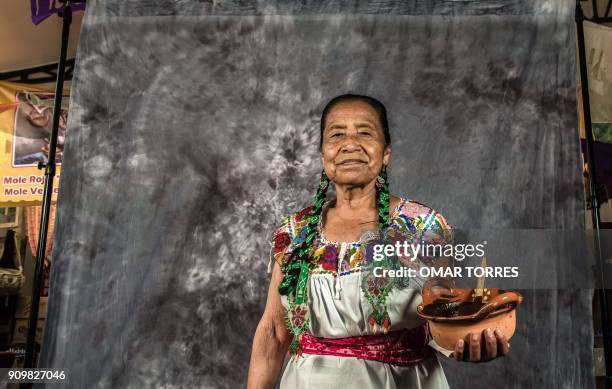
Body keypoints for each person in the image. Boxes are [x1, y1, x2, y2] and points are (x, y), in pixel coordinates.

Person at [247, 94, 510, 389]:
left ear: (386, 152)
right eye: (336, 134)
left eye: (364, 132)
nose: (350, 144)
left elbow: (442, 304)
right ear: (323, 154)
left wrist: (469, 335)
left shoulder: (422, 226)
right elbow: (273, 331)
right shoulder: (294, 232)